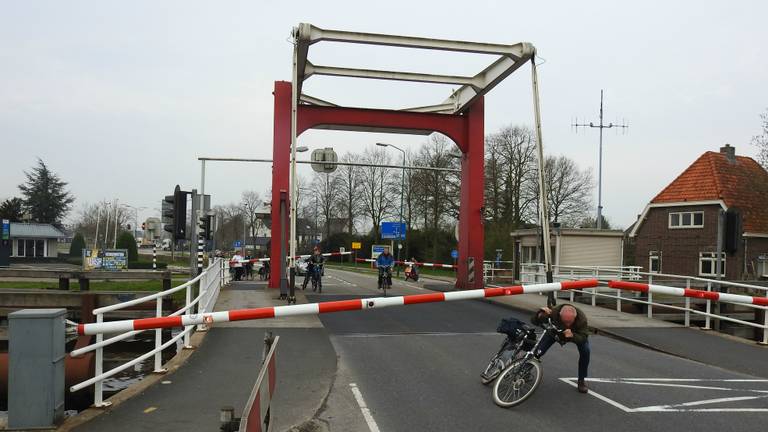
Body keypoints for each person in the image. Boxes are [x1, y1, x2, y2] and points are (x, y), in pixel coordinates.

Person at [531, 304, 590, 394]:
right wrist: (539, 314)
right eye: (565, 321)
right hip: (555, 332)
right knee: (539, 351)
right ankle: (525, 370)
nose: (567, 324)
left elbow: (584, 337)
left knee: (586, 351)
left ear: (575, 317)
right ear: (559, 315)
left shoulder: (581, 320)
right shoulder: (554, 313)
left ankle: (581, 380)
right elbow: (535, 322)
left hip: (574, 334)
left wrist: (573, 336)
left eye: (569, 322)